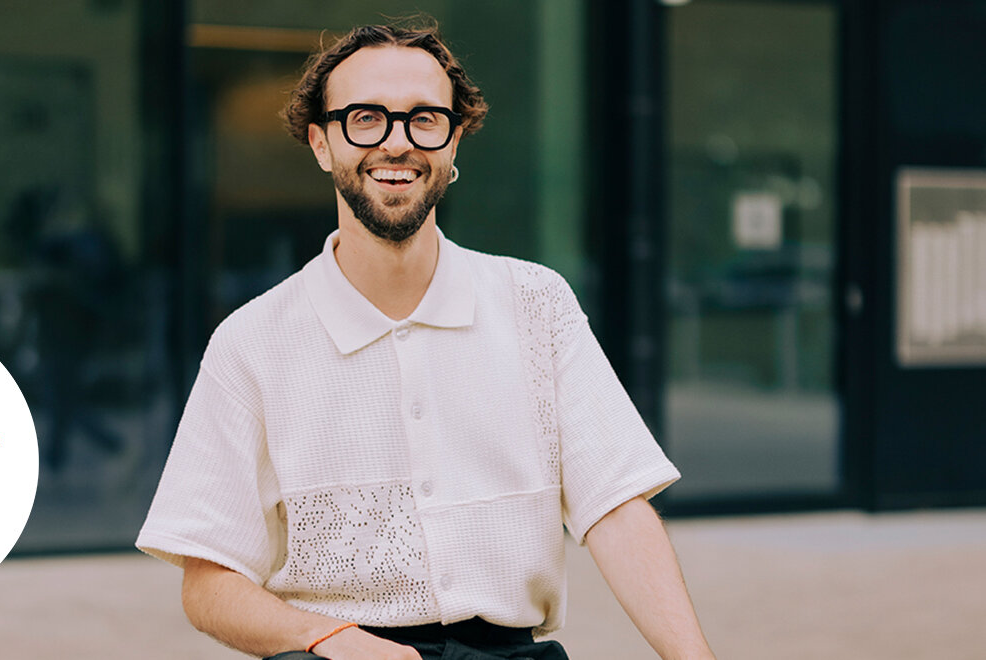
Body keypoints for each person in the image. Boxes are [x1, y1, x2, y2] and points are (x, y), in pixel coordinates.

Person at [137, 21, 715, 660]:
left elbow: (615, 508)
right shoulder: (251, 343)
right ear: (321, 142)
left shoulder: (537, 304)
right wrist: (328, 637)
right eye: (365, 118)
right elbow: (208, 583)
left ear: (455, 137)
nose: (396, 143)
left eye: (424, 119)